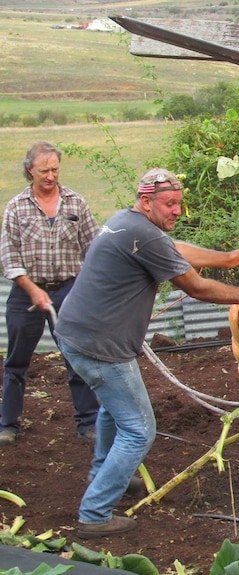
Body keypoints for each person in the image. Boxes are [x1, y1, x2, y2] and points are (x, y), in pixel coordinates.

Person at [54, 167, 239, 539]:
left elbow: (174, 249)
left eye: (179, 204)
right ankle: (95, 513)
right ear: (146, 202)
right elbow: (197, 288)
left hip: (79, 336)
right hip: (101, 348)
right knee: (139, 430)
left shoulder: (128, 223)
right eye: (169, 204)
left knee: (113, 412)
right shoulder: (142, 232)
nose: (176, 210)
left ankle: (106, 478)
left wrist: (224, 258)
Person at [0, 141, 101, 446]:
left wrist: (84, 286)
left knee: (77, 357)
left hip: (69, 290)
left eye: (55, 169)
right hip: (25, 293)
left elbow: (94, 247)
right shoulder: (17, 207)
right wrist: (31, 289)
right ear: (30, 170)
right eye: (44, 170)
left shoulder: (75, 203)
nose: (50, 175)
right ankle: (8, 425)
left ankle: (88, 424)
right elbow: (8, 256)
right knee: (16, 362)